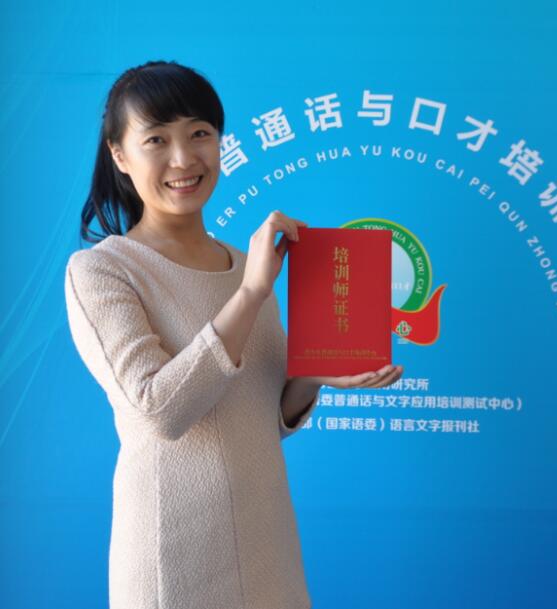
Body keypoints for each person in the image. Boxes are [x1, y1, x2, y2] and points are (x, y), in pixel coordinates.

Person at [63, 60, 403, 609]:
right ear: (120, 155)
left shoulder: (247, 264)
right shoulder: (104, 271)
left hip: (267, 537)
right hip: (173, 553)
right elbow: (161, 411)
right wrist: (250, 293)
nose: (183, 158)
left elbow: (256, 418)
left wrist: (313, 374)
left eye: (199, 133)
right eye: (156, 139)